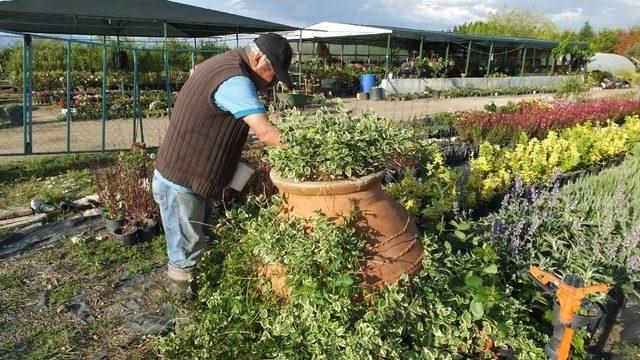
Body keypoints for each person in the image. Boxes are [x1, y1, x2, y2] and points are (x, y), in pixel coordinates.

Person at [152, 33, 293, 296]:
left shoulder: (223, 63)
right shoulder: (236, 81)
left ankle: (201, 299)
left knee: (199, 240)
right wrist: (306, 152)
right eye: (272, 74)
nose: (272, 83)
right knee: (185, 255)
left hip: (193, 178)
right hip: (181, 182)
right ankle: (186, 318)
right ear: (258, 58)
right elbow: (266, 133)